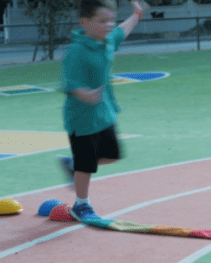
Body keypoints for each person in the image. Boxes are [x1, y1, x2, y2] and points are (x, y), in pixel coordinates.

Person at [59, 0, 148, 221]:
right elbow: (68, 82)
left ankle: (74, 164)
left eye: (110, 19)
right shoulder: (77, 50)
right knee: (86, 164)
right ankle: (81, 205)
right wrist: (84, 94)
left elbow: (122, 30)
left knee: (113, 155)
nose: (109, 25)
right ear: (85, 22)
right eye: (102, 21)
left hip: (104, 113)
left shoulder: (107, 41)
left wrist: (137, 13)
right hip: (82, 118)